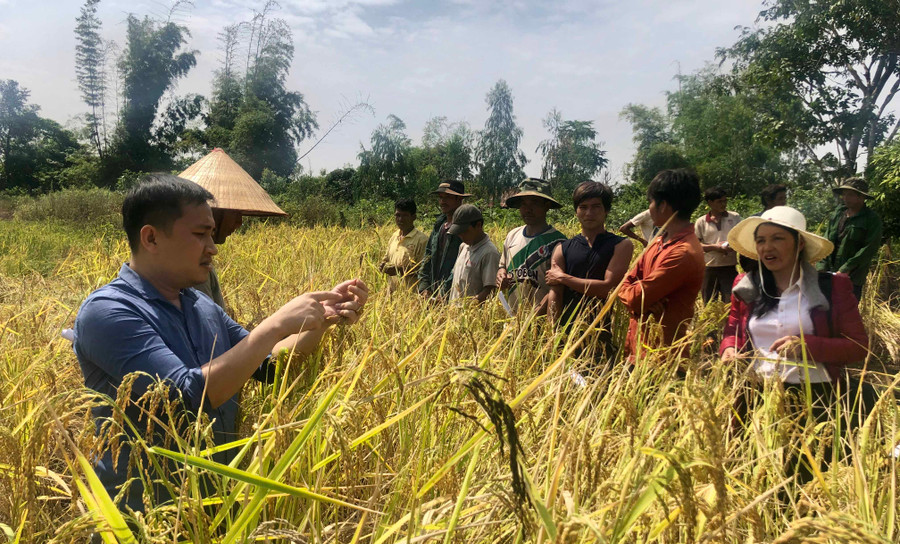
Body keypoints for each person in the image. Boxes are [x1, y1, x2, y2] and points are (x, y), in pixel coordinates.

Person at [73, 174, 368, 511]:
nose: (212, 247)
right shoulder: (108, 312)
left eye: (211, 234)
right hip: (146, 515)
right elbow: (184, 398)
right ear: (151, 238)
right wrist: (273, 325)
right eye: (200, 234)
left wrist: (319, 322)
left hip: (215, 502)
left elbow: (269, 366)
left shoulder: (200, 305)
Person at [720, 206, 868, 482]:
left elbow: (858, 346)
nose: (767, 248)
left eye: (778, 239)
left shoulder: (831, 287)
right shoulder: (746, 285)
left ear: (799, 244)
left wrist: (807, 345)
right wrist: (729, 347)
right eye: (761, 240)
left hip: (815, 398)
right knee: (755, 474)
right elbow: (733, 327)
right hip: (756, 395)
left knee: (806, 478)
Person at [618, 169, 705, 360]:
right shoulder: (659, 240)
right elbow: (629, 281)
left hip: (663, 357)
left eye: (651, 202)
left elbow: (633, 297)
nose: (649, 208)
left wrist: (636, 297)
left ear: (663, 205)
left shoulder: (683, 252)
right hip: (639, 347)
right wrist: (640, 299)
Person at [546, 181, 633, 361]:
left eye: (596, 207)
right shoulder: (562, 248)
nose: (589, 213)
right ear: (576, 210)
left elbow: (607, 288)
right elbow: (556, 293)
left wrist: (563, 277)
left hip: (601, 331)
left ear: (606, 210)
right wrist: (553, 334)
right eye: (583, 207)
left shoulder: (621, 245)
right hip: (566, 332)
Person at [496, 178, 567, 314]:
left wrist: (534, 315)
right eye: (523, 204)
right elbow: (502, 266)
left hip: (541, 320)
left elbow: (558, 288)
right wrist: (501, 275)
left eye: (534, 203)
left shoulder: (558, 242)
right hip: (511, 318)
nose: (528, 209)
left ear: (546, 205)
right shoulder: (512, 235)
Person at [818, 177, 883, 301]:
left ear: (861, 197)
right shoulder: (838, 214)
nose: (845, 198)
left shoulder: (872, 219)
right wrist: (821, 265)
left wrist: (845, 269)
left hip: (851, 279)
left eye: (850, 195)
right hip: (828, 274)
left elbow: (869, 249)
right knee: (824, 314)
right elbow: (826, 241)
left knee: (846, 315)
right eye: (844, 194)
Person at [418, 180, 471, 298]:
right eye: (440, 197)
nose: (442, 201)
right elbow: (427, 257)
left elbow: (461, 265)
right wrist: (424, 287)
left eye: (447, 197)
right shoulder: (439, 226)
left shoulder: (467, 228)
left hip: (455, 294)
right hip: (432, 294)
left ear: (459, 199)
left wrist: (444, 292)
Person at [694, 187, 742, 302]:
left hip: (729, 267)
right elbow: (695, 245)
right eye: (719, 201)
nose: (723, 204)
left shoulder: (734, 217)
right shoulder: (701, 222)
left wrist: (733, 245)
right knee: (709, 303)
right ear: (710, 203)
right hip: (709, 269)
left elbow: (741, 238)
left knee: (730, 303)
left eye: (725, 201)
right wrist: (715, 247)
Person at [448, 204, 501, 302]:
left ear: (478, 225)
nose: (462, 236)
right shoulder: (463, 247)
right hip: (454, 313)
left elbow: (490, 290)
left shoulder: (489, 253)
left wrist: (471, 305)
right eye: (459, 233)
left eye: (465, 231)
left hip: (472, 314)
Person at [194, 208, 243, 308]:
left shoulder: (203, 262)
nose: (239, 222)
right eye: (235, 214)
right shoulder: (193, 266)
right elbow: (206, 321)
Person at [379, 198, 428, 290]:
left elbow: (424, 271)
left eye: (405, 215)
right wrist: (383, 265)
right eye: (397, 215)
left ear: (414, 217)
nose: (400, 219)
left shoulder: (422, 240)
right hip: (392, 295)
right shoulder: (394, 236)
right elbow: (386, 259)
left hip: (410, 297)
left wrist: (399, 270)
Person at [740, 184, 788, 272]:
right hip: (759, 269)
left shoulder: (787, 221)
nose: (784, 202)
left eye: (785, 198)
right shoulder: (754, 222)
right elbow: (745, 250)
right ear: (768, 200)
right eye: (780, 199)